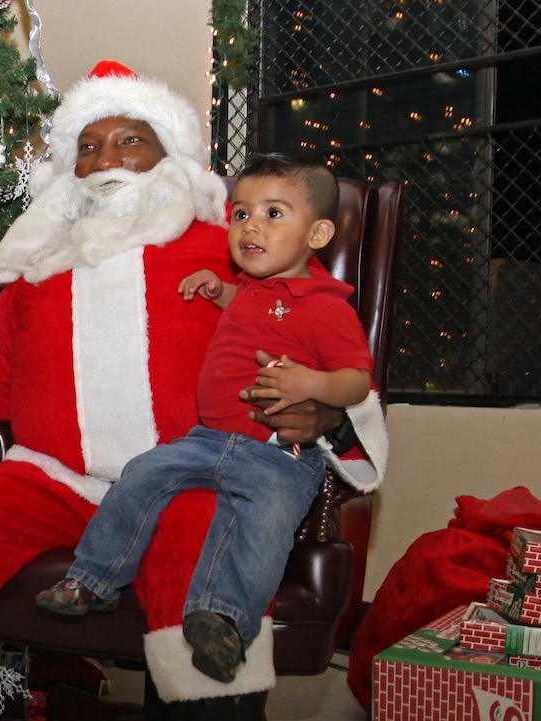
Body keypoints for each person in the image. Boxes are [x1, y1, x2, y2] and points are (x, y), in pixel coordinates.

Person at [0, 60, 388, 721]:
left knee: (199, 542)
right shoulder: (39, 268)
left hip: (189, 478)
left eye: (128, 140)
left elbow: (329, 353)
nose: (104, 159)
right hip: (53, 479)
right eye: (86, 146)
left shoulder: (229, 254)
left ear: (174, 158)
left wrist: (328, 414)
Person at [35, 154, 378, 687]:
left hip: (278, 454)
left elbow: (356, 379)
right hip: (207, 437)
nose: (250, 227)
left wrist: (312, 384)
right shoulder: (252, 289)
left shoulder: (326, 307)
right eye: (241, 214)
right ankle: (91, 580)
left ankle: (222, 621)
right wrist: (223, 294)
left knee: (260, 525)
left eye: (273, 214)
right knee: (141, 475)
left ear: (318, 233)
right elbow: (253, 312)